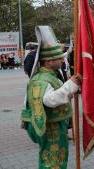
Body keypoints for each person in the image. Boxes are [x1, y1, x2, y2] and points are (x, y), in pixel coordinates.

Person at [21, 26, 82, 169]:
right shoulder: (41, 79)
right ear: (48, 61)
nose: (62, 60)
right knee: (52, 161)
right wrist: (71, 84)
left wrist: (70, 91)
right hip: (50, 128)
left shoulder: (49, 76)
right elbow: (50, 100)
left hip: (55, 125)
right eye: (59, 58)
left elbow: (56, 94)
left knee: (57, 159)